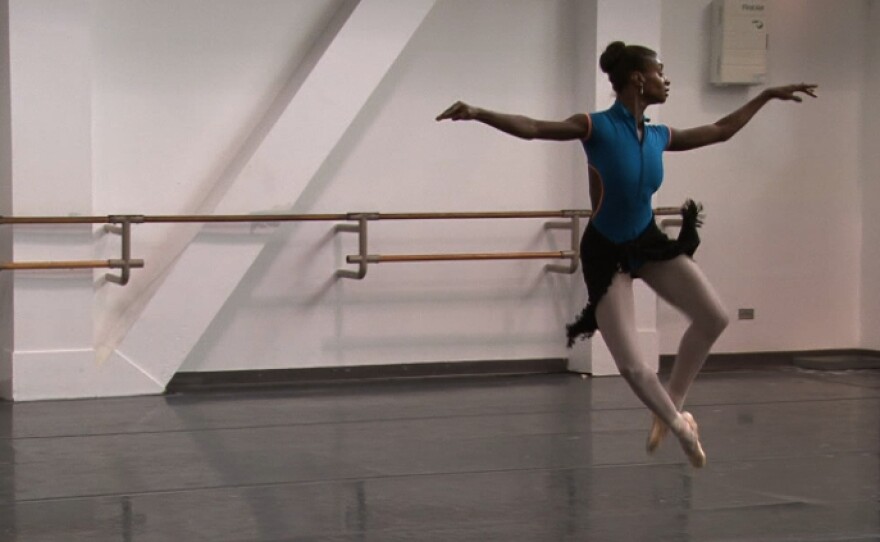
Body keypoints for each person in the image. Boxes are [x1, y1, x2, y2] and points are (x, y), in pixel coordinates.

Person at [436, 41, 817, 467]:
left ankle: (669, 405)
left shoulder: (658, 135)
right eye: (660, 71)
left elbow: (721, 130)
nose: (665, 79)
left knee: (714, 317)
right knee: (632, 365)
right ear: (638, 78)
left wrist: (764, 96)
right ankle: (676, 423)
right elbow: (533, 127)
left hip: (646, 241)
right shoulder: (595, 127)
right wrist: (478, 113)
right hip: (605, 250)